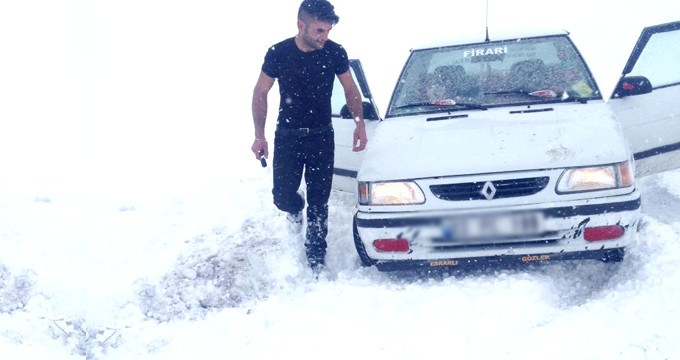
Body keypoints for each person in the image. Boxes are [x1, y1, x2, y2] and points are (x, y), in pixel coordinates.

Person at [250, 0, 367, 270]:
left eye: (327, 31)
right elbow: (260, 92)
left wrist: (359, 123)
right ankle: (294, 209)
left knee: (319, 198)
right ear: (301, 25)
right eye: (319, 31)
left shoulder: (334, 53)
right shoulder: (278, 53)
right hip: (288, 136)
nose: (324, 37)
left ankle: (316, 251)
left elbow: (350, 89)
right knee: (282, 195)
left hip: (321, 136)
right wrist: (259, 136)